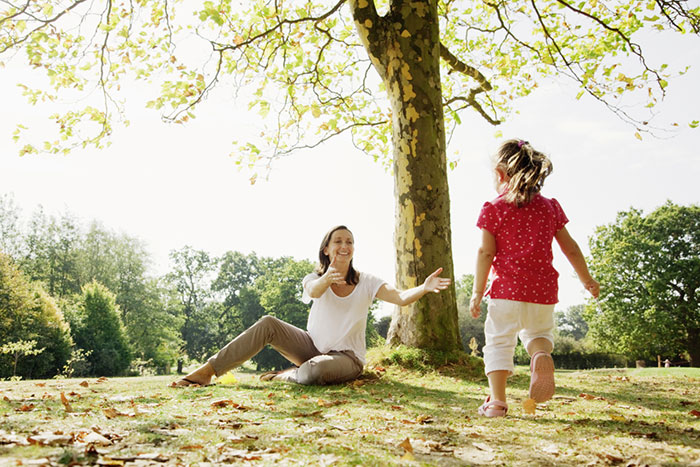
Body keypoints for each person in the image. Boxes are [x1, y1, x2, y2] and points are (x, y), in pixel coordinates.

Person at [172, 225, 451, 387]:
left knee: (314, 371)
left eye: (350, 241)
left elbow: (400, 297)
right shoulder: (315, 278)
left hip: (346, 358)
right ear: (327, 249)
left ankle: (290, 375)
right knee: (269, 323)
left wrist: (424, 288)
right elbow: (314, 291)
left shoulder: (367, 281)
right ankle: (208, 372)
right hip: (310, 345)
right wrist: (328, 278)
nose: (345, 245)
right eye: (338, 241)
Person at [469, 139, 600, 417]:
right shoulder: (550, 207)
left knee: (499, 343)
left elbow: (485, 252)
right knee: (539, 335)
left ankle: (497, 402)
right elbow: (571, 248)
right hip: (543, 292)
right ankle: (540, 355)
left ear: (501, 173)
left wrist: (477, 292)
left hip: (506, 291)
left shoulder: (494, 208)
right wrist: (586, 279)